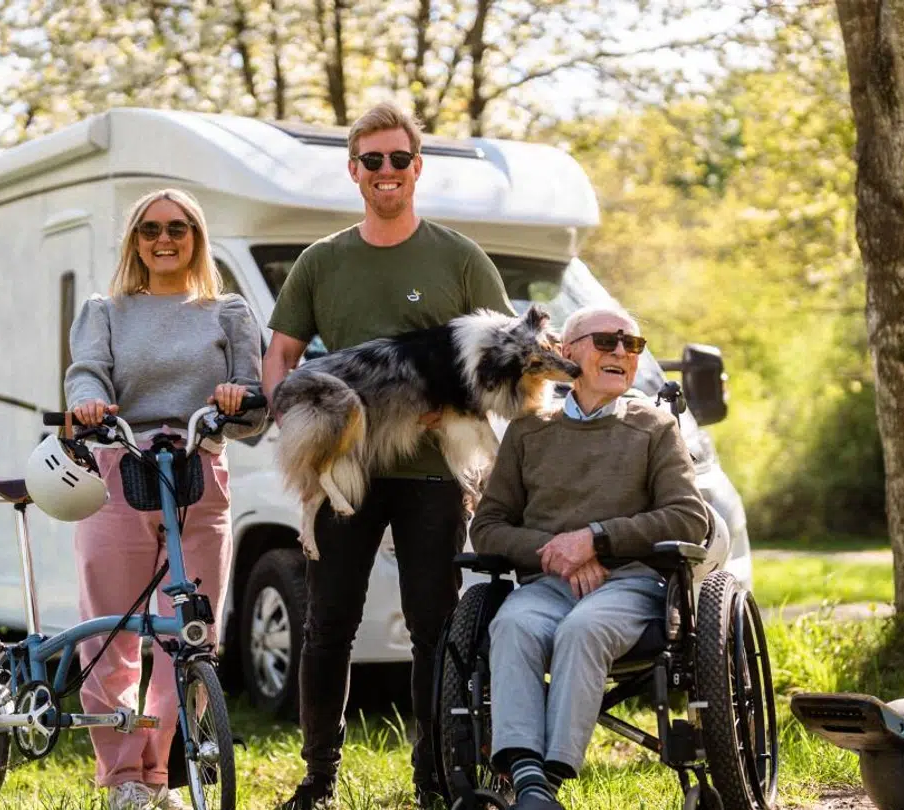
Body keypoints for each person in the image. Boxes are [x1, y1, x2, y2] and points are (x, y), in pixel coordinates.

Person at [263, 101, 514, 810]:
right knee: (327, 625)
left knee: (435, 628)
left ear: (416, 167)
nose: (385, 172)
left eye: (398, 159)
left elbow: (497, 353)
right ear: (353, 170)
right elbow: (279, 355)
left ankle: (434, 779)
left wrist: (455, 403)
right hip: (346, 473)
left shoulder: (458, 257)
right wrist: (298, 426)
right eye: (371, 160)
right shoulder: (322, 261)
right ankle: (318, 781)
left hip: (431, 472)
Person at [65, 188, 264, 810]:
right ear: (136, 240)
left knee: (191, 636)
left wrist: (237, 397)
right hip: (121, 473)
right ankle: (123, 778)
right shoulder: (105, 311)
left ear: (195, 237)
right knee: (111, 634)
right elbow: (87, 372)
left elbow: (254, 404)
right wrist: (90, 402)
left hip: (200, 476)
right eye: (150, 229)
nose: (164, 239)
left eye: (178, 228)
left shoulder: (227, 312)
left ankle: (158, 774)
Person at [469, 305, 712, 810]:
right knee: (511, 626)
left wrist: (597, 539)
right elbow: (487, 526)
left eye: (633, 345)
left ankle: (544, 785)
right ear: (566, 351)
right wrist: (556, 553)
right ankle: (528, 777)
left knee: (585, 629)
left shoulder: (656, 427)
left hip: (632, 585)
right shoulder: (529, 431)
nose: (621, 352)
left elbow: (690, 519)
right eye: (606, 341)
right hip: (549, 584)